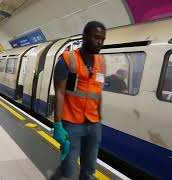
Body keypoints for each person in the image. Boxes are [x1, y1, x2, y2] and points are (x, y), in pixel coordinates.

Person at [50, 21, 106, 180]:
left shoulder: (101, 62)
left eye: (102, 38)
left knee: (89, 171)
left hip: (93, 124)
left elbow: (98, 92)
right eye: (96, 37)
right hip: (71, 124)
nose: (99, 42)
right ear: (84, 37)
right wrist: (58, 125)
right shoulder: (67, 60)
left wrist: (99, 119)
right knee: (68, 169)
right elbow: (59, 93)